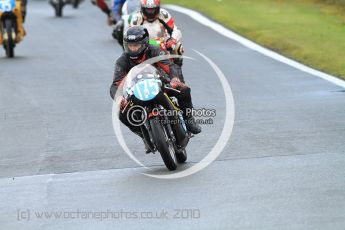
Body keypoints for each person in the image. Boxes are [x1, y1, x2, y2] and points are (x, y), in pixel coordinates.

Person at [110, 26, 201, 142]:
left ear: (144, 44)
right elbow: (115, 84)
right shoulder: (121, 61)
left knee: (184, 90)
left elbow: (170, 66)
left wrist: (174, 79)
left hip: (160, 83)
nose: (132, 49)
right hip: (136, 91)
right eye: (130, 46)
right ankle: (144, 134)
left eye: (136, 45)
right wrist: (119, 98)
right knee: (121, 113)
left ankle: (189, 119)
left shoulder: (156, 50)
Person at [129, 0, 185, 81]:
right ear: (143, 8)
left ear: (158, 8)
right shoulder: (136, 18)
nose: (150, 13)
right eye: (148, 10)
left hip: (163, 42)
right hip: (144, 44)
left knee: (178, 47)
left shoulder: (164, 15)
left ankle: (177, 74)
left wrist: (172, 40)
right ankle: (132, 74)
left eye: (153, 9)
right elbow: (131, 35)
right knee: (131, 51)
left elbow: (176, 31)